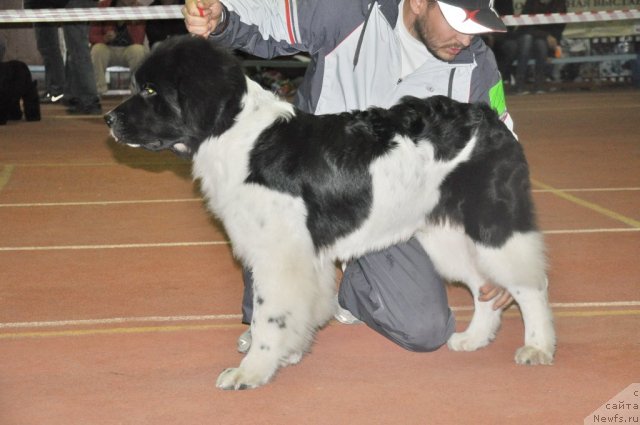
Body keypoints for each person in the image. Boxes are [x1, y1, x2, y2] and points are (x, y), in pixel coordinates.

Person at [183, 0, 514, 354]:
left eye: (477, 29)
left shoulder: (477, 66)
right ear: (419, 2)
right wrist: (221, 19)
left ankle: (354, 285)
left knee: (426, 330)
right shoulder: (348, 12)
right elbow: (267, 21)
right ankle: (268, 316)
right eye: (458, 23)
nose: (466, 39)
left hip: (392, 209)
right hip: (312, 185)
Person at [24, 0, 103, 114]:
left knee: (78, 52)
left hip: (74, 3)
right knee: (76, 51)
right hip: (76, 3)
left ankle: (89, 100)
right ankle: (77, 98)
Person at [89, 0, 150, 95]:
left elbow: (139, 39)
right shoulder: (103, 6)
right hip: (107, 49)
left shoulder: (138, 8)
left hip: (128, 50)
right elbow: (92, 36)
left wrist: (133, 20)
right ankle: (99, 89)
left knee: (139, 50)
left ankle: (136, 90)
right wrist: (104, 38)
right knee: (97, 49)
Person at [513, 0, 566, 94]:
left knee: (541, 45)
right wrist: (546, 35)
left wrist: (554, 43)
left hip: (544, 39)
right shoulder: (531, 2)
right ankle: (519, 85)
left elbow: (559, 27)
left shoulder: (560, 3)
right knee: (527, 40)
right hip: (528, 34)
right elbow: (525, 25)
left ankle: (539, 85)